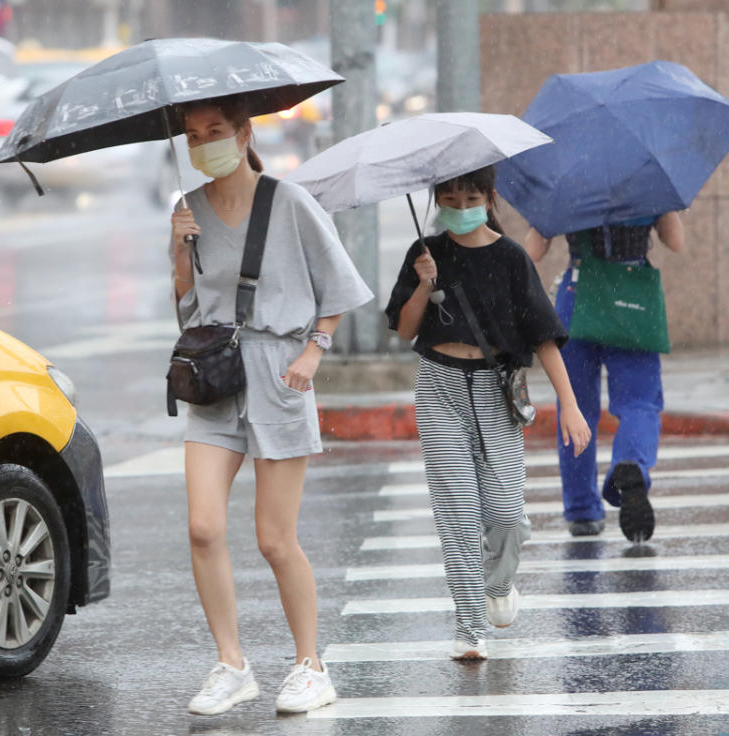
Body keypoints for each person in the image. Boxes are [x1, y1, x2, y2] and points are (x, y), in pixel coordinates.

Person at [169, 96, 373, 715]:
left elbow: (336, 286)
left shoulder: (289, 202)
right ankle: (232, 665)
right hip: (215, 377)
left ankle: (310, 665)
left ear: (243, 132)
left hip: (279, 373)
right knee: (203, 527)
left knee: (273, 538)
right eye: (195, 134)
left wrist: (314, 352)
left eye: (216, 131)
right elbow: (186, 307)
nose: (206, 142)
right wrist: (180, 251)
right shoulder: (189, 210)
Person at [384, 165, 591, 660]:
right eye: (449, 199)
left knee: (504, 514)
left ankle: (497, 583)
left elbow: (543, 334)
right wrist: (421, 284)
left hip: (497, 392)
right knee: (456, 510)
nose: (459, 208)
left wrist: (570, 403)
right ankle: (469, 624)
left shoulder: (512, 257)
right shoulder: (425, 253)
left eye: (469, 197)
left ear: (489, 198)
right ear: (437, 199)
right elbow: (404, 328)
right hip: (440, 386)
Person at [524, 213, 685, 541]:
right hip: (631, 296)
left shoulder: (568, 182)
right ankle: (631, 464)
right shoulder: (647, 178)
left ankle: (582, 510)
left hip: (578, 293)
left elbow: (534, 251)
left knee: (575, 407)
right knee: (640, 400)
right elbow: (675, 241)